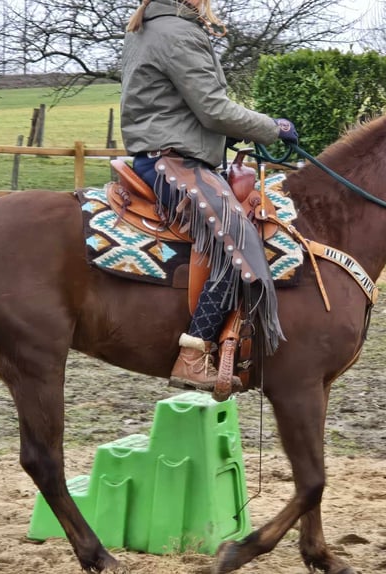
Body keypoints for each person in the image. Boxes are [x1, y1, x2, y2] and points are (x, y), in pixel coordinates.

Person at [120, 0, 299, 393]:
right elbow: (213, 108)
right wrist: (273, 127)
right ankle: (193, 353)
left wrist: (221, 136)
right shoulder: (178, 32)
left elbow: (170, 104)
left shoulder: (151, 26)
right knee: (239, 244)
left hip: (164, 152)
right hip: (174, 162)